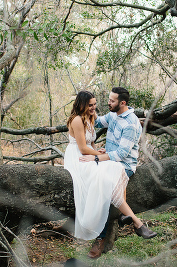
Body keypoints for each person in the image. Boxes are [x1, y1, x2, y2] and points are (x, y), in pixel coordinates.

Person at [62, 89, 155, 260]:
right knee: (103, 183)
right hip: (103, 159)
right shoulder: (112, 115)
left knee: (106, 186)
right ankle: (131, 219)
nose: (107, 104)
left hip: (123, 163)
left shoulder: (130, 124)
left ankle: (102, 237)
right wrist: (98, 154)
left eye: (111, 101)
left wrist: (97, 157)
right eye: (94, 104)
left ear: (122, 103)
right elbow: (96, 123)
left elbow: (120, 155)